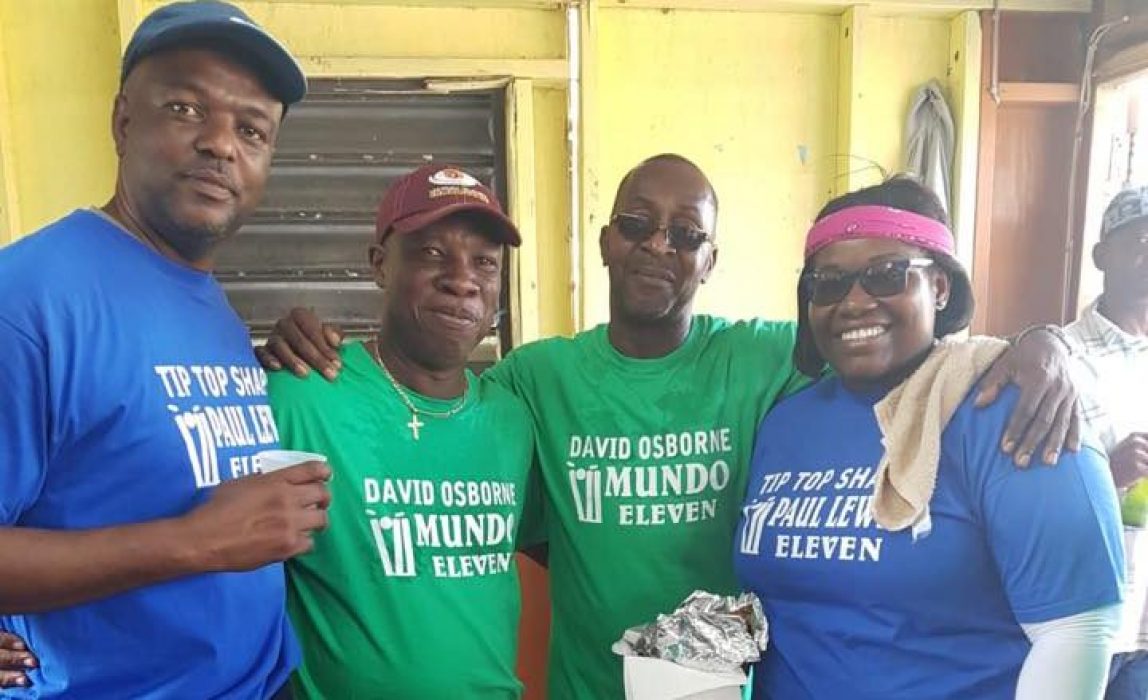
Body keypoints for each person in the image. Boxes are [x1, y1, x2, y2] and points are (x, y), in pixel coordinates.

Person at [260, 154, 1083, 700]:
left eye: (687, 235)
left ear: (711, 259)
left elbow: (901, 345)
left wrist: (1041, 345)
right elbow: (437, 400)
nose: (661, 246)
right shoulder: (531, 382)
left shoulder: (767, 359)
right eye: (638, 225)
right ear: (606, 242)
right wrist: (308, 338)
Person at [0, 3, 329, 698]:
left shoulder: (208, 301)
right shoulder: (28, 301)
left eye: (252, 130)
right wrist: (197, 541)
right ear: (123, 121)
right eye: (185, 109)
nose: (220, 144)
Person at [734, 176, 1124, 699]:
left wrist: (1043, 341)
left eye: (886, 275)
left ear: (939, 286)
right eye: (827, 283)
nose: (853, 302)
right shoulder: (786, 424)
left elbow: (1074, 632)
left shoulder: (1015, 412)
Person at [270, 164, 539, 698]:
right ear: (379, 264)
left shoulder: (511, 420)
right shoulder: (304, 395)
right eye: (432, 253)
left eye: (484, 263)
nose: (462, 279)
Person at [1065, 186, 1148, 700]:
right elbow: (1022, 487)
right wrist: (1108, 475)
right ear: (1101, 255)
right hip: (1085, 616)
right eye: (1140, 241)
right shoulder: (1059, 357)